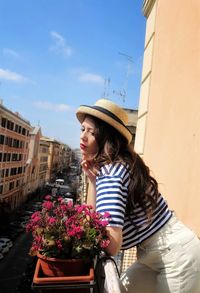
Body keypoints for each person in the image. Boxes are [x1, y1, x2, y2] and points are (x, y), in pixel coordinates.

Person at [76, 98, 200, 293]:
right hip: (154, 255)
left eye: (92, 132)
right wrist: (92, 181)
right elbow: (94, 219)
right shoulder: (114, 166)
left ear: (106, 137)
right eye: (83, 129)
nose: (83, 137)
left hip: (177, 257)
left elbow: (112, 245)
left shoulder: (112, 173)